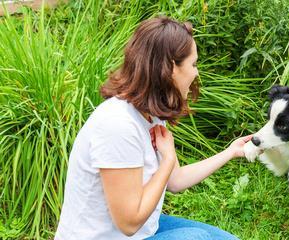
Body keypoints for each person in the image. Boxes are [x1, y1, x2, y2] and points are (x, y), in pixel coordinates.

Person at [55, 16, 251, 240]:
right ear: (170, 68)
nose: (196, 73)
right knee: (197, 238)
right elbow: (128, 222)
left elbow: (175, 181)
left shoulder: (151, 112)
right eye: (193, 64)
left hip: (140, 232)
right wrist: (166, 161)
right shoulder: (117, 125)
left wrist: (230, 152)